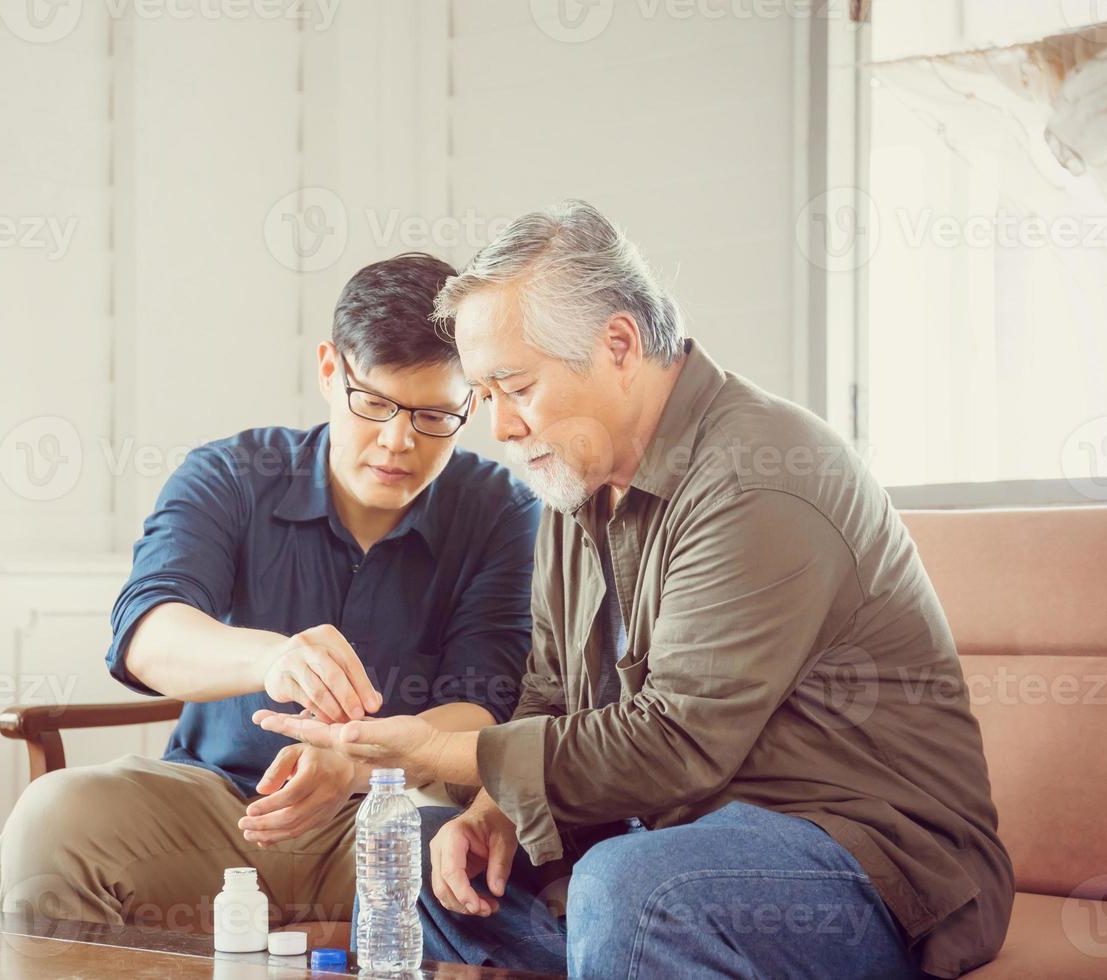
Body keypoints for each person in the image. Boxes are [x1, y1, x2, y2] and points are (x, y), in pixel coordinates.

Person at [258, 203, 1013, 978]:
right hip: (665, 848)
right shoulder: (574, 479)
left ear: (617, 344)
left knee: (636, 893)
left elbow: (676, 740)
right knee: (419, 857)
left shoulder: (761, 475)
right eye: (484, 396)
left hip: (864, 865)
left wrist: (445, 752)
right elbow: (548, 691)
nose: (501, 428)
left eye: (514, 386)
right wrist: (492, 813)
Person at [0, 252, 540, 934]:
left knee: (460, 856)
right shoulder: (232, 474)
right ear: (328, 370)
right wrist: (270, 660)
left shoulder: (501, 511)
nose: (398, 442)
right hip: (218, 809)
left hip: (392, 812)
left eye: (434, 416)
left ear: (472, 402)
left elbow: (487, 708)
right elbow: (146, 631)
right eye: (372, 403)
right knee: (54, 819)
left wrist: (355, 760)